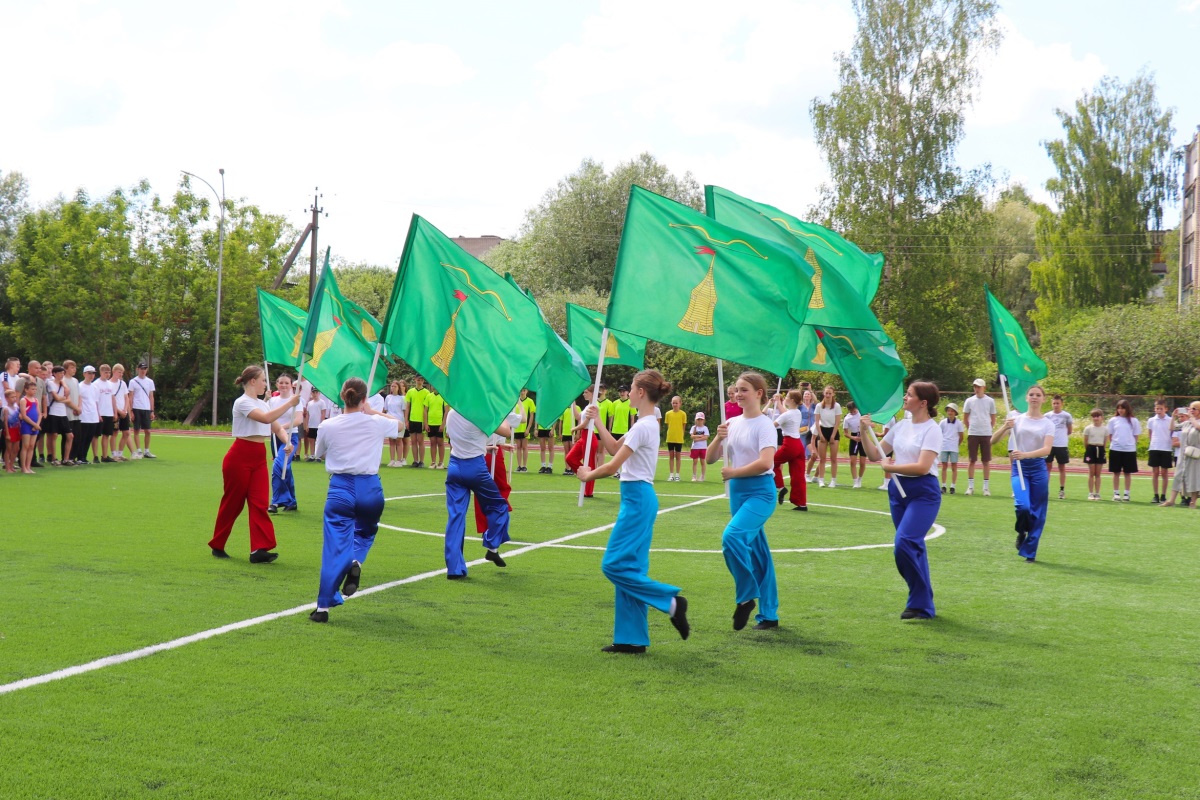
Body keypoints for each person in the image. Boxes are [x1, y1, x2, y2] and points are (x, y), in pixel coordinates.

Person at [576, 369, 689, 653]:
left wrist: (588, 475)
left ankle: (671, 602)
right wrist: (598, 420)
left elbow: (613, 466)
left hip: (637, 498)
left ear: (640, 392)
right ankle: (631, 638)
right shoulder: (647, 422)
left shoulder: (643, 426)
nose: (629, 393)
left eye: (633, 388)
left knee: (613, 565)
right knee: (631, 568)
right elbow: (615, 448)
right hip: (638, 497)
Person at [309, 378, 400, 623]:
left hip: (340, 487)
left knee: (334, 547)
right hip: (370, 487)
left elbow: (318, 453)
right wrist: (372, 412)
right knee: (366, 533)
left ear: (342, 397)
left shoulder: (329, 425)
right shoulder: (376, 422)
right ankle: (356, 560)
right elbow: (400, 426)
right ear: (364, 398)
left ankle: (323, 608)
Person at [860, 382, 943, 619]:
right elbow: (875, 454)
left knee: (904, 542)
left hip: (923, 492)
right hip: (898, 490)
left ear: (923, 403)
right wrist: (865, 431)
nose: (905, 398)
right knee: (914, 545)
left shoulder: (932, 430)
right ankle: (923, 604)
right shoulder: (901, 426)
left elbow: (922, 466)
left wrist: (891, 466)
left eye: (909, 395)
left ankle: (920, 599)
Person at [707, 372, 780, 631]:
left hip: (760, 492)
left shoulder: (765, 425)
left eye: (744, 390)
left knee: (732, 537)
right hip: (737, 493)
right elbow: (709, 459)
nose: (738, 394)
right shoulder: (732, 422)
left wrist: (734, 473)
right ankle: (769, 614)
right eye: (736, 389)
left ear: (759, 393)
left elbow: (766, 462)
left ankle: (747, 596)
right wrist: (717, 436)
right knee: (760, 554)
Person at [209, 365, 299, 563]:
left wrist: (287, 440)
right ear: (253, 381)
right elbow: (266, 418)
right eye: (263, 380)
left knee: (259, 503)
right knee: (233, 503)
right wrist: (290, 403)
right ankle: (217, 544)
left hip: (259, 456)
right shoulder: (242, 402)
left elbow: (275, 426)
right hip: (239, 456)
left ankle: (259, 549)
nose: (266, 384)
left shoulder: (263, 403)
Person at [443, 404, 517, 579]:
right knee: (499, 507)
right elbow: (506, 431)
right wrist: (504, 409)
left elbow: (454, 436)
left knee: (455, 517)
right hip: (475, 467)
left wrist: (485, 446)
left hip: (454, 466)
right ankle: (492, 545)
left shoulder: (452, 412)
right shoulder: (480, 412)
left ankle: (454, 568)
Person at [991, 385, 1055, 561]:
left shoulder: (1048, 423)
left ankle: (1030, 552)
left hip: (1038, 469)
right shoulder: (1016, 419)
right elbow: (992, 441)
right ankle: (1021, 531)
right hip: (1020, 469)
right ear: (1026, 398)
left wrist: (1025, 454)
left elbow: (1047, 450)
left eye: (1038, 395)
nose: (1034, 397)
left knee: (1038, 512)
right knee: (1023, 506)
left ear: (1043, 399)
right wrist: (1005, 427)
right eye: (1031, 394)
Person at [474, 408, 519, 543]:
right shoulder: (498, 409)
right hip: (489, 453)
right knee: (501, 490)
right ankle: (496, 525)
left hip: (481, 452)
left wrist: (501, 444)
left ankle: (487, 527)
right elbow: (519, 420)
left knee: (482, 493)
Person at [268, 373, 303, 514]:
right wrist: (265, 398)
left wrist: (282, 427)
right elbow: (265, 416)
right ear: (276, 384)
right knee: (285, 469)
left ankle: (275, 501)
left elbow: (299, 419)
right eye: (280, 382)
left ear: (291, 385)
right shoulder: (272, 401)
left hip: (290, 437)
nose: (283, 385)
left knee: (279, 465)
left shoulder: (296, 400)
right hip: (275, 438)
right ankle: (292, 501)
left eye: (286, 383)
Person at [772, 389, 808, 511]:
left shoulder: (787, 414)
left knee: (771, 463)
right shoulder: (796, 412)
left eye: (786, 396)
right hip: (798, 445)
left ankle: (781, 487)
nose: (785, 397)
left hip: (790, 444)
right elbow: (785, 412)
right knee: (798, 475)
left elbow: (773, 425)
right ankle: (801, 503)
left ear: (792, 400)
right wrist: (779, 402)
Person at [1160, 401, 1200, 508]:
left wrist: (1191, 417)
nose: (1191, 410)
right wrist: (1173, 417)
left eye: (1194, 409)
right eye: (1190, 408)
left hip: (1195, 456)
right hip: (1183, 454)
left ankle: (1193, 502)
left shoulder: (1196, 422)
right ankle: (1171, 500)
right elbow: (1172, 428)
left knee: (1194, 477)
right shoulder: (1187, 423)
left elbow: (1198, 427)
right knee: (1178, 476)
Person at [963, 378, 997, 496]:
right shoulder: (969, 401)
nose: (977, 389)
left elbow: (993, 418)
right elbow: (965, 418)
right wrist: (971, 428)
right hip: (973, 433)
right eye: (975, 387)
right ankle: (970, 487)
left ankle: (986, 488)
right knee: (972, 460)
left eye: (979, 387)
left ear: (984, 388)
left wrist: (988, 428)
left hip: (986, 434)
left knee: (986, 461)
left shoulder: (990, 401)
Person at [565, 387, 601, 497]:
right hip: (583, 438)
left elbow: (585, 423)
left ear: (592, 393)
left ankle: (588, 491)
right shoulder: (587, 406)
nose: (584, 394)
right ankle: (585, 475)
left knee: (589, 464)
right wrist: (573, 402)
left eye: (586, 392)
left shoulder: (593, 406)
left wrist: (574, 429)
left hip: (590, 437)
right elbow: (578, 416)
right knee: (570, 458)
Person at [1106, 398, 1142, 502]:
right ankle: (1116, 493)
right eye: (1119, 408)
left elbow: (1136, 436)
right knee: (1116, 472)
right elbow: (1110, 435)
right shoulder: (1113, 420)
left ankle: (1127, 494)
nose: (1121, 410)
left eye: (1123, 408)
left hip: (1129, 450)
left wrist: (1129, 444)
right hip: (1115, 449)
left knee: (1127, 473)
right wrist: (1116, 443)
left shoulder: (1134, 421)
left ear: (1127, 409)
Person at [1043, 395, 1074, 500]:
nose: (1056, 405)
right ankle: (1045, 490)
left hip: (1061, 445)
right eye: (1054, 403)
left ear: (1062, 404)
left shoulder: (1067, 416)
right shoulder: (1047, 416)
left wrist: (1061, 437)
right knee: (1047, 467)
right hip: (1049, 445)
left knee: (1062, 467)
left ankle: (1061, 490)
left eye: (1058, 403)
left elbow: (1069, 430)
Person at [1146, 398, 1175, 505]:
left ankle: (1163, 495)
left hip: (1166, 449)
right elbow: (1150, 434)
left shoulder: (1170, 420)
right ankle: (1155, 495)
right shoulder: (1151, 420)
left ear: (1166, 409)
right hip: (1154, 448)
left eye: (1161, 408)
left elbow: (1172, 433)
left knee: (1164, 473)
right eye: (1157, 408)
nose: (1158, 410)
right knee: (1155, 472)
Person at [813, 385, 841, 488]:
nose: (828, 395)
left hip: (833, 431)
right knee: (822, 459)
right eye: (826, 393)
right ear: (823, 394)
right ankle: (821, 480)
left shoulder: (836, 406)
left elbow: (837, 422)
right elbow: (816, 421)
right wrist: (820, 435)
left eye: (830, 393)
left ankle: (833, 480)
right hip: (822, 430)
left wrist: (833, 436)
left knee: (833, 458)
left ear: (833, 394)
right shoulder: (819, 406)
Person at [74, 365, 101, 464]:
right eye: (89, 373)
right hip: (84, 416)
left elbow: (96, 401)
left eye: (93, 373)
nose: (92, 375)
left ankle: (84, 456)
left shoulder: (95, 387)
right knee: (82, 437)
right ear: (84, 374)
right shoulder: (80, 386)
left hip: (93, 416)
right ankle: (79, 457)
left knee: (89, 437)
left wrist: (98, 414)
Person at [130, 363, 156, 458]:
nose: (143, 370)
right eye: (141, 368)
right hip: (136, 407)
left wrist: (152, 410)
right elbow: (131, 396)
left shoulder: (150, 381)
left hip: (146, 408)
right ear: (138, 369)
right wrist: (131, 410)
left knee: (148, 431)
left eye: (145, 369)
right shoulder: (133, 381)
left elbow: (151, 396)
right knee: (136, 430)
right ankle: (139, 450)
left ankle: (147, 450)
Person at [938, 403, 964, 494]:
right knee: (944, 466)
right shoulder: (942, 422)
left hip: (953, 447)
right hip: (944, 446)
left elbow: (961, 436)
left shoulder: (959, 423)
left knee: (954, 467)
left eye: (952, 411)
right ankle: (944, 485)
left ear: (955, 412)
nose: (950, 412)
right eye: (949, 410)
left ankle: (953, 486)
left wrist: (956, 444)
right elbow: (939, 434)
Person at [1082, 409, 1107, 500]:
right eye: (1094, 416)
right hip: (1090, 450)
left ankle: (1097, 493)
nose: (1096, 418)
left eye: (1098, 416)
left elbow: (1105, 442)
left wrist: (1102, 450)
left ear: (1102, 417)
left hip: (1100, 450)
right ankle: (1091, 493)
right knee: (1091, 473)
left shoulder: (1105, 429)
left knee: (1098, 473)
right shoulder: (1088, 428)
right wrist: (1088, 450)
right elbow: (1085, 441)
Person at [18, 378, 41, 474]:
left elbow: (39, 414)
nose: (34, 391)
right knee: (25, 446)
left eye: (35, 389)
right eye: (32, 389)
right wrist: (34, 424)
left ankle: (28, 466)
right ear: (26, 390)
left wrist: (37, 424)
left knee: (32, 446)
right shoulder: (23, 400)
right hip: (27, 425)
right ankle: (23, 467)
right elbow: (24, 415)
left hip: (35, 426)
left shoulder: (36, 400)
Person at [405, 376, 429, 468]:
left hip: (421, 420)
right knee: (413, 441)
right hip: (412, 419)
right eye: (418, 379)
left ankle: (422, 461)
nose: (420, 381)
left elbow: (427, 408)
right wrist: (406, 420)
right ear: (415, 380)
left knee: (421, 441)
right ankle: (415, 460)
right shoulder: (410, 392)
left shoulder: (426, 392)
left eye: (422, 380)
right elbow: (407, 407)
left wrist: (425, 422)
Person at [663, 395, 687, 482]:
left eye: (676, 403)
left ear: (680, 403)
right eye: (673, 403)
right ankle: (671, 474)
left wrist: (681, 435)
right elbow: (668, 425)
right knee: (671, 456)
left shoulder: (683, 414)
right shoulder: (668, 414)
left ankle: (677, 474)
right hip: (670, 438)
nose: (675, 404)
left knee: (678, 457)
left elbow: (683, 426)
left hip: (679, 438)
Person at [843, 400, 866, 489]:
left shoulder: (861, 414)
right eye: (851, 411)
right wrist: (854, 438)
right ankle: (855, 481)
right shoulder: (847, 418)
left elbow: (869, 424)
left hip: (863, 437)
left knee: (863, 462)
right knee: (853, 461)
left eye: (854, 411)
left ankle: (860, 479)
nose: (853, 412)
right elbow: (845, 433)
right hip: (854, 438)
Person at [112, 364, 133, 460]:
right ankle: (114, 454)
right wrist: (119, 411)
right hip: (115, 411)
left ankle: (120, 453)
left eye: (122, 372)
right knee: (114, 433)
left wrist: (125, 409)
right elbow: (110, 400)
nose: (121, 374)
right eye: (119, 372)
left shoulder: (123, 383)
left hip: (124, 411)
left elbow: (126, 397)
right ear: (114, 372)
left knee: (126, 433)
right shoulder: (109, 384)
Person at [425, 385, 448, 469]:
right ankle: (433, 462)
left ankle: (441, 462)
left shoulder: (443, 396)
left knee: (440, 443)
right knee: (432, 443)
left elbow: (446, 411)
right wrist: (426, 423)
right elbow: (425, 411)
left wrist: (443, 424)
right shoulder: (429, 396)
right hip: (431, 423)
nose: (435, 387)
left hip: (439, 423)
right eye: (433, 386)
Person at [385, 382, 407, 467]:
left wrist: (405, 422)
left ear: (398, 388)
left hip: (399, 421)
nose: (393, 388)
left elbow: (404, 411)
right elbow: (386, 409)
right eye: (392, 386)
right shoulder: (388, 397)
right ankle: (392, 460)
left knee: (398, 440)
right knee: (391, 441)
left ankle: (399, 460)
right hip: (390, 421)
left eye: (395, 386)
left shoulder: (402, 398)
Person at [799, 388, 818, 482]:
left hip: (812, 429)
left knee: (811, 453)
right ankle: (803, 471)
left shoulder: (813, 406)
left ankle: (807, 472)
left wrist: (811, 390)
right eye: (805, 394)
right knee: (802, 451)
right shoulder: (800, 405)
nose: (806, 396)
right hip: (802, 430)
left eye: (808, 394)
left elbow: (817, 401)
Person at [305, 387, 326, 462]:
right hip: (311, 424)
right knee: (311, 440)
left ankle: (318, 456)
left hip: (318, 424)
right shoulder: (310, 403)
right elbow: (307, 415)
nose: (315, 394)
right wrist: (306, 424)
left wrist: (322, 423)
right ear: (311, 393)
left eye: (316, 392)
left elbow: (323, 413)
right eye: (313, 392)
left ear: (319, 393)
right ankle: (312, 455)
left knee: (318, 441)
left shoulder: (322, 402)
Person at [535, 395, 555, 474]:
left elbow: (555, 418)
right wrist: (536, 428)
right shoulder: (540, 405)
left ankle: (550, 467)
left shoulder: (552, 405)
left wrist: (553, 429)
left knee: (551, 448)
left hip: (549, 428)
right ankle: (543, 466)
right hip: (541, 428)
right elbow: (537, 417)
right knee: (542, 448)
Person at [560, 401, 579, 476]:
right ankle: (567, 468)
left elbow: (579, 420)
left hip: (573, 433)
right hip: (565, 432)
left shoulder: (577, 408)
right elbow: (561, 422)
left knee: (572, 452)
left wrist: (578, 432)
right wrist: (560, 432)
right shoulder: (564, 408)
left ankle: (572, 468)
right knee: (566, 451)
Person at [689, 412, 709, 482]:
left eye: (701, 419)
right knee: (695, 462)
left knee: (702, 462)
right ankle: (694, 476)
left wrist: (697, 439)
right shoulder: (694, 428)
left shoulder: (705, 428)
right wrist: (700, 436)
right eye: (698, 419)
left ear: (703, 420)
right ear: (696, 420)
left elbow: (706, 437)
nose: (699, 421)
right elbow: (692, 436)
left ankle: (702, 476)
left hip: (703, 447)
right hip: (695, 447)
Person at [3, 389, 19, 473]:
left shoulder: (17, 407)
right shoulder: (6, 409)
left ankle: (11, 465)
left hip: (16, 429)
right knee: (8, 449)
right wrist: (7, 434)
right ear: (7, 398)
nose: (14, 399)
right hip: (9, 429)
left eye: (15, 397)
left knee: (16, 449)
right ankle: (7, 467)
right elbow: (5, 421)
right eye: (12, 397)